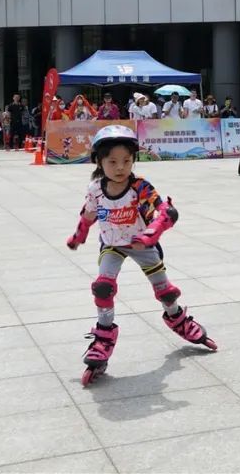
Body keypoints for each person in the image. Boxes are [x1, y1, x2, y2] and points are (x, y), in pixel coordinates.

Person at [65, 126, 216, 385]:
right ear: (99, 162)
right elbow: (88, 214)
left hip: (142, 245)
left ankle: (176, 317)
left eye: (126, 161)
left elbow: (167, 212)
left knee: (165, 291)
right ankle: (103, 337)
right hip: (112, 244)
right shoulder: (95, 189)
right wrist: (79, 236)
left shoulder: (140, 187)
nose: (120, 167)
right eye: (112, 161)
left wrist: (150, 234)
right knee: (103, 287)